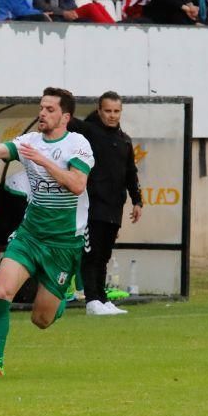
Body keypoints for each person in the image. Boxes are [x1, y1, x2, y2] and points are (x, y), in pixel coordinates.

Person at [0, 88, 94, 378]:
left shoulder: (78, 145)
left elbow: (77, 184)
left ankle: (64, 289)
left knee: (41, 320)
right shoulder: (28, 142)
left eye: (49, 109)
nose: (42, 113)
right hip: (30, 235)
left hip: (63, 244)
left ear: (65, 116)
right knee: (1, 290)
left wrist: (44, 161)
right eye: (41, 107)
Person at [63, 93, 142, 315]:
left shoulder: (125, 140)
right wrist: (60, 100)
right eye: (107, 111)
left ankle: (102, 298)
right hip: (91, 205)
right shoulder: (88, 132)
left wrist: (137, 201)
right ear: (99, 110)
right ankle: (91, 300)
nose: (112, 115)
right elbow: (65, 117)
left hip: (113, 206)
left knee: (105, 255)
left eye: (116, 111)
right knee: (92, 253)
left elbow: (131, 173)